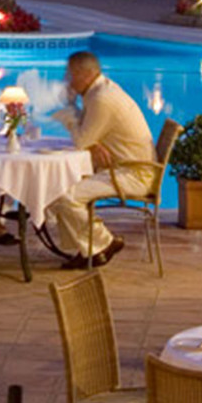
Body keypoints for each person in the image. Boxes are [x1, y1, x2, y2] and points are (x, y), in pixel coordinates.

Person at [45, 49, 153, 267]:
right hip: (120, 168)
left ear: (86, 75)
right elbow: (89, 137)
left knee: (65, 194)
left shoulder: (102, 99)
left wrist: (69, 110)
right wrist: (93, 144)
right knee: (60, 184)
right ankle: (87, 250)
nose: (67, 80)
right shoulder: (98, 92)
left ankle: (104, 243)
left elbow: (80, 140)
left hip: (134, 173)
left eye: (71, 74)